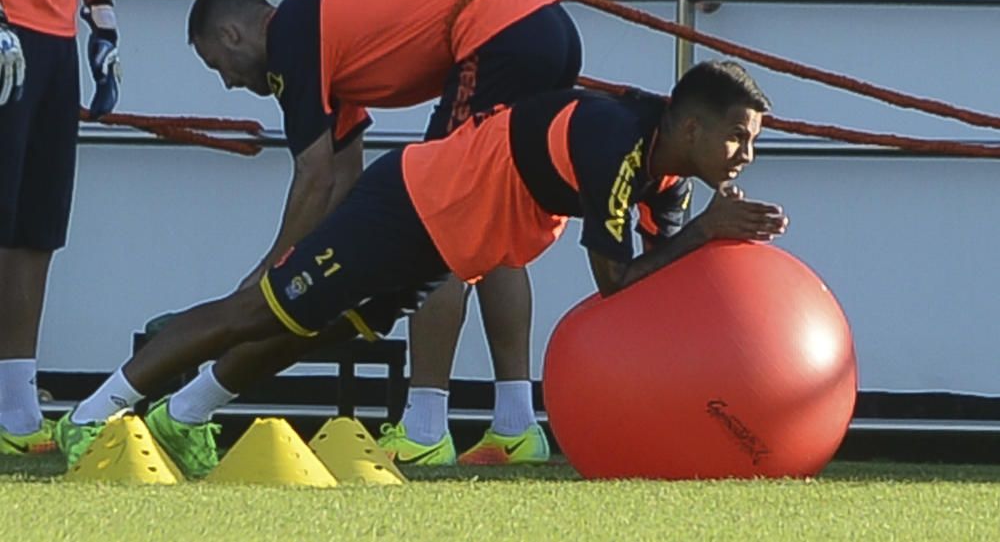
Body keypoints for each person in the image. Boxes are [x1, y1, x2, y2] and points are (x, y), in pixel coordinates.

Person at [55, 60, 788, 476]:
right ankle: (91, 416)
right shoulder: (618, 139)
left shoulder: (671, 179)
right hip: (409, 205)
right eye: (737, 137)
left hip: (449, 242)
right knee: (261, 308)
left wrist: (714, 239)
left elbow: (665, 275)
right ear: (690, 125)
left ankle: (186, 415)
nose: (744, 156)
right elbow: (618, 281)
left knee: (316, 331)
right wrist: (707, 233)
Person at [176, 0, 581, 465]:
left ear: (232, 35)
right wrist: (334, 264)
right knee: (493, 215)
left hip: (499, 28)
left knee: (444, 222)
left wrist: (271, 275)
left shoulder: (290, 40)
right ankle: (516, 425)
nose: (228, 82)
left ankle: (426, 429)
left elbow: (314, 173)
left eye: (218, 66)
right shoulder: (325, 45)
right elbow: (343, 178)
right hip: (544, 23)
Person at [0, 0, 122, 456]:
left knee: (35, 225)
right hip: (5, 23)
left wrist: (101, 16)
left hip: (53, 35)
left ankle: (15, 407)